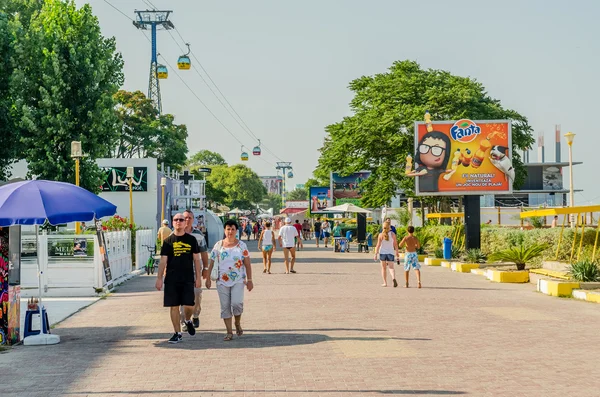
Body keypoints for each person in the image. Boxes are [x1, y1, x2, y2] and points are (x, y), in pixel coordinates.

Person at [155, 213, 202, 343]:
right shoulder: (168, 242)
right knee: (174, 306)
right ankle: (177, 333)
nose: (179, 222)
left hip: (187, 277)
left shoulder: (191, 240)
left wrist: (198, 277)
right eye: (176, 220)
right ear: (172, 222)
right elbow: (163, 261)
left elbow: (197, 260)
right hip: (171, 278)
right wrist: (159, 278)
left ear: (185, 222)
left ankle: (187, 320)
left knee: (189, 305)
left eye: (181, 220)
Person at [206, 220, 253, 341]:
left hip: (238, 279)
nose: (230, 231)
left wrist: (250, 280)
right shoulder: (218, 245)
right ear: (224, 230)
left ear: (236, 231)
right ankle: (229, 332)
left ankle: (237, 322)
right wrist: (208, 278)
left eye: (232, 229)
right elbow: (211, 262)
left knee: (236, 303)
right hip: (222, 280)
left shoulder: (242, 245)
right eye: (228, 229)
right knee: (225, 306)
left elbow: (247, 264)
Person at [179, 209, 209, 331]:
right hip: (179, 270)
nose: (186, 220)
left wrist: (206, 268)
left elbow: (204, 252)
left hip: (195, 270)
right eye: (184, 218)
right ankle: (184, 322)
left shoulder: (198, 235)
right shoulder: (175, 234)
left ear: (193, 220)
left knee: (196, 293)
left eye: (189, 218)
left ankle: (195, 314)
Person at [373, 221, 399, 287]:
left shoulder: (380, 235)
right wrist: (397, 252)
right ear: (389, 227)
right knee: (391, 267)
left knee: (383, 268)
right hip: (390, 252)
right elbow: (395, 244)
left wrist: (376, 254)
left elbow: (378, 245)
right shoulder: (393, 234)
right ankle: (393, 278)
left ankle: (385, 283)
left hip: (382, 253)